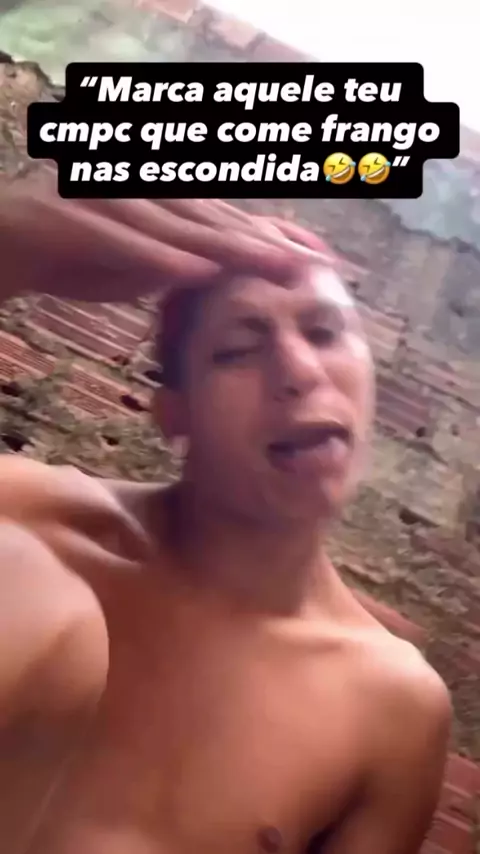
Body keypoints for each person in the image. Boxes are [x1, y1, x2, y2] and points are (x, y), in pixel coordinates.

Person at [0, 168, 451, 854]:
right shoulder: (27, 520)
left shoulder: (394, 707)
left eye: (325, 332)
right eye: (239, 349)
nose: (299, 371)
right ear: (172, 411)